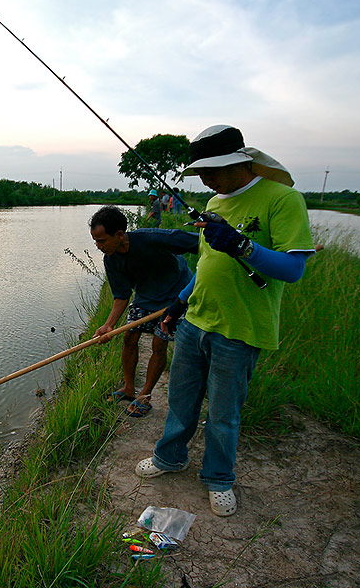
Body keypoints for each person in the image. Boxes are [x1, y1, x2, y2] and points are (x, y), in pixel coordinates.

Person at [135, 125, 315, 517]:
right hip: (196, 322)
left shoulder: (283, 199)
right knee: (180, 401)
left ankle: (218, 478)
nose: (206, 178)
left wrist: (242, 244)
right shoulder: (214, 204)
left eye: (213, 169)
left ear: (241, 161)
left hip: (241, 329)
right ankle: (169, 458)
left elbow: (293, 268)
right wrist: (178, 303)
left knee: (223, 412)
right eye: (201, 171)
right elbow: (208, 265)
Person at [89, 205, 198, 417]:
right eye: (95, 241)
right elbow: (121, 295)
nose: (98, 246)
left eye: (102, 241)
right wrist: (109, 325)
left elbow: (202, 244)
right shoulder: (111, 259)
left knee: (159, 341)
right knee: (129, 337)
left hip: (176, 296)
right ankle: (129, 389)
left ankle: (145, 395)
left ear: (120, 234)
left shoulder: (152, 238)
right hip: (145, 296)